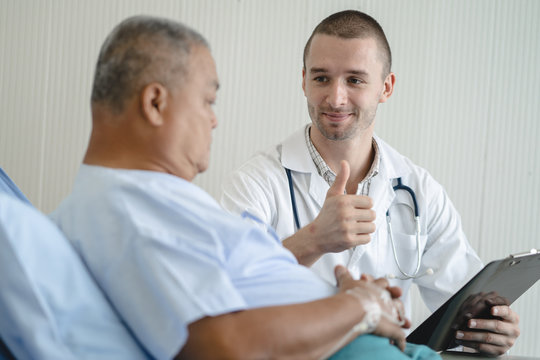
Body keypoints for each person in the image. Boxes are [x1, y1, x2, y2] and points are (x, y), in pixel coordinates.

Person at [50, 15, 440, 360]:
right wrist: (360, 307)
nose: (214, 121)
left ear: (385, 87)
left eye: (355, 79)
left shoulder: (152, 200)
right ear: (155, 103)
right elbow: (225, 347)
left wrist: (348, 301)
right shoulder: (132, 214)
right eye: (208, 101)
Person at [220, 10, 520, 356]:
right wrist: (314, 239)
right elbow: (223, 292)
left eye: (355, 80)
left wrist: (490, 328)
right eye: (321, 78)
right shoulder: (255, 182)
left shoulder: (419, 191)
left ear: (386, 87)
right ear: (304, 81)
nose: (335, 98)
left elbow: (459, 300)